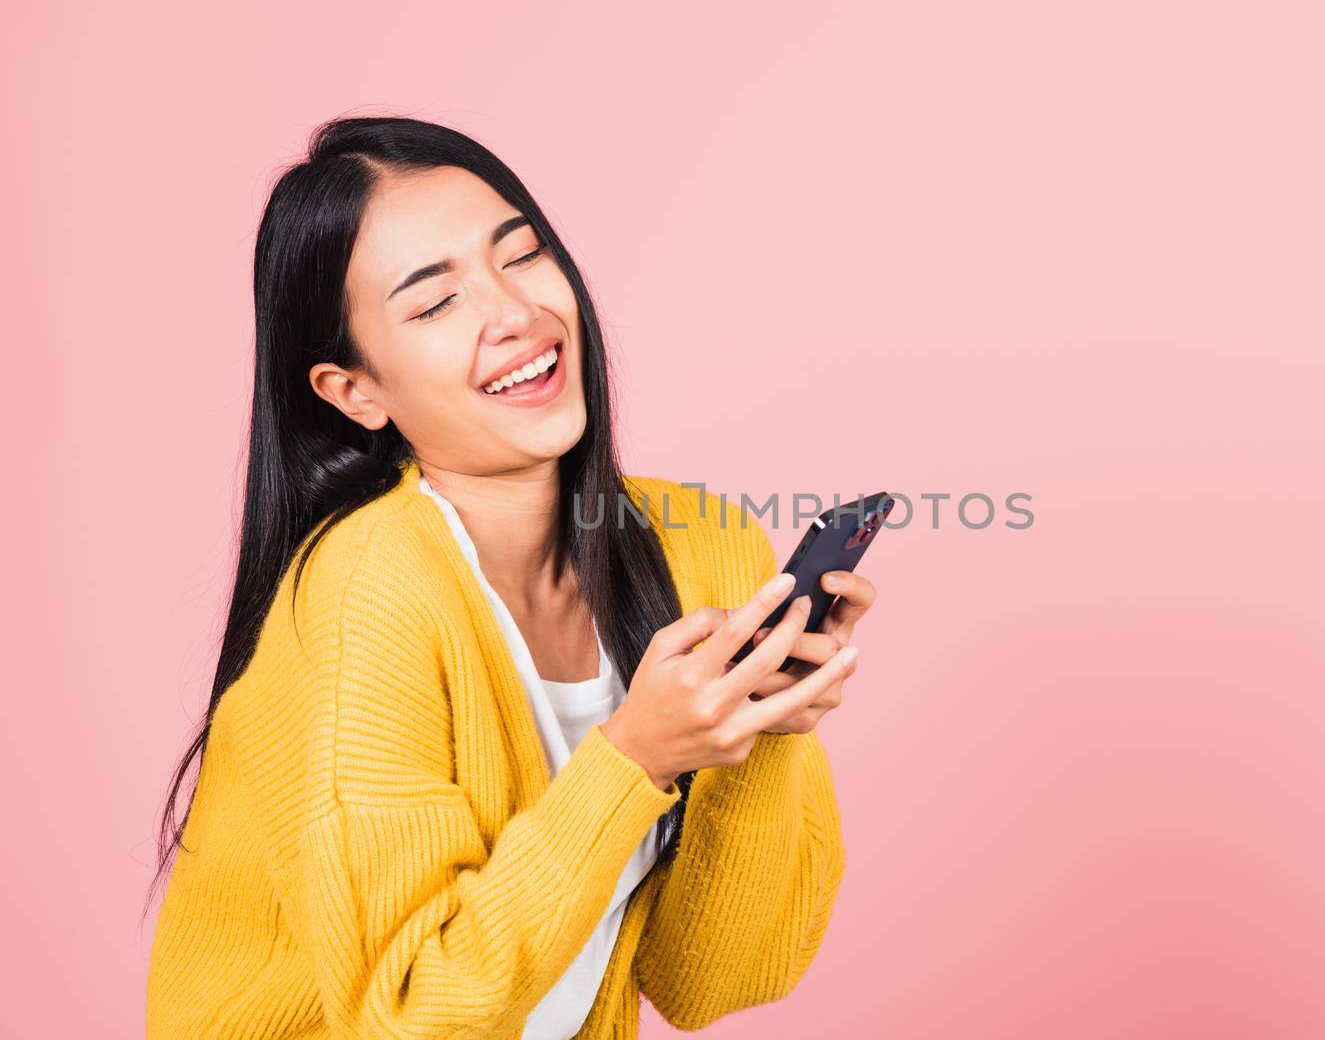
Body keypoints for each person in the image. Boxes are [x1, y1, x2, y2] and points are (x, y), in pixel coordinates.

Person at [144, 115, 871, 1039]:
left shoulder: (702, 543)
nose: (515, 316)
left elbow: (712, 981)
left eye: (520, 256)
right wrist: (634, 757)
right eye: (433, 303)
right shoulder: (366, 593)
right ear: (354, 392)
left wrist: (763, 729)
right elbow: (411, 1015)